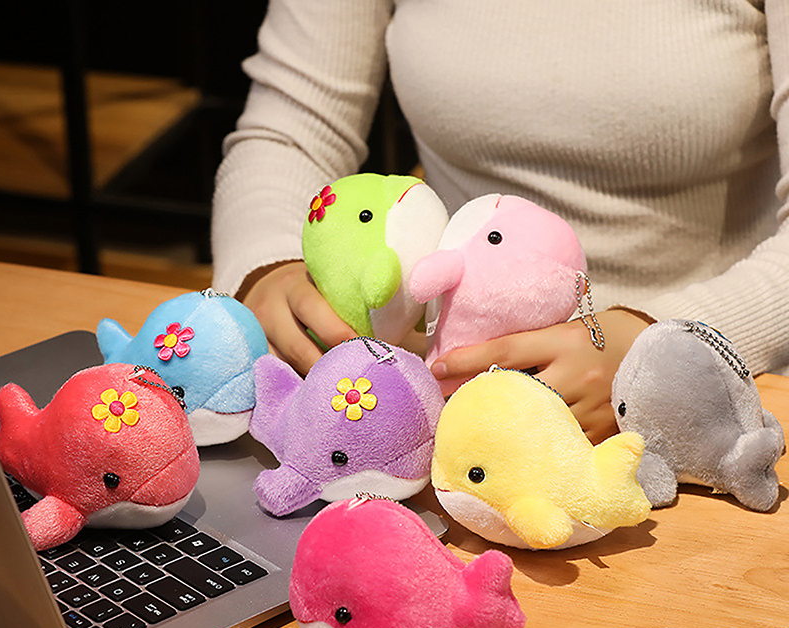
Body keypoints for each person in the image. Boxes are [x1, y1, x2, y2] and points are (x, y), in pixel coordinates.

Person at [211, 0, 789, 443]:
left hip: (714, 395)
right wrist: (266, 267)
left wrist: (659, 341)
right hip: (431, 397)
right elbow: (290, 129)